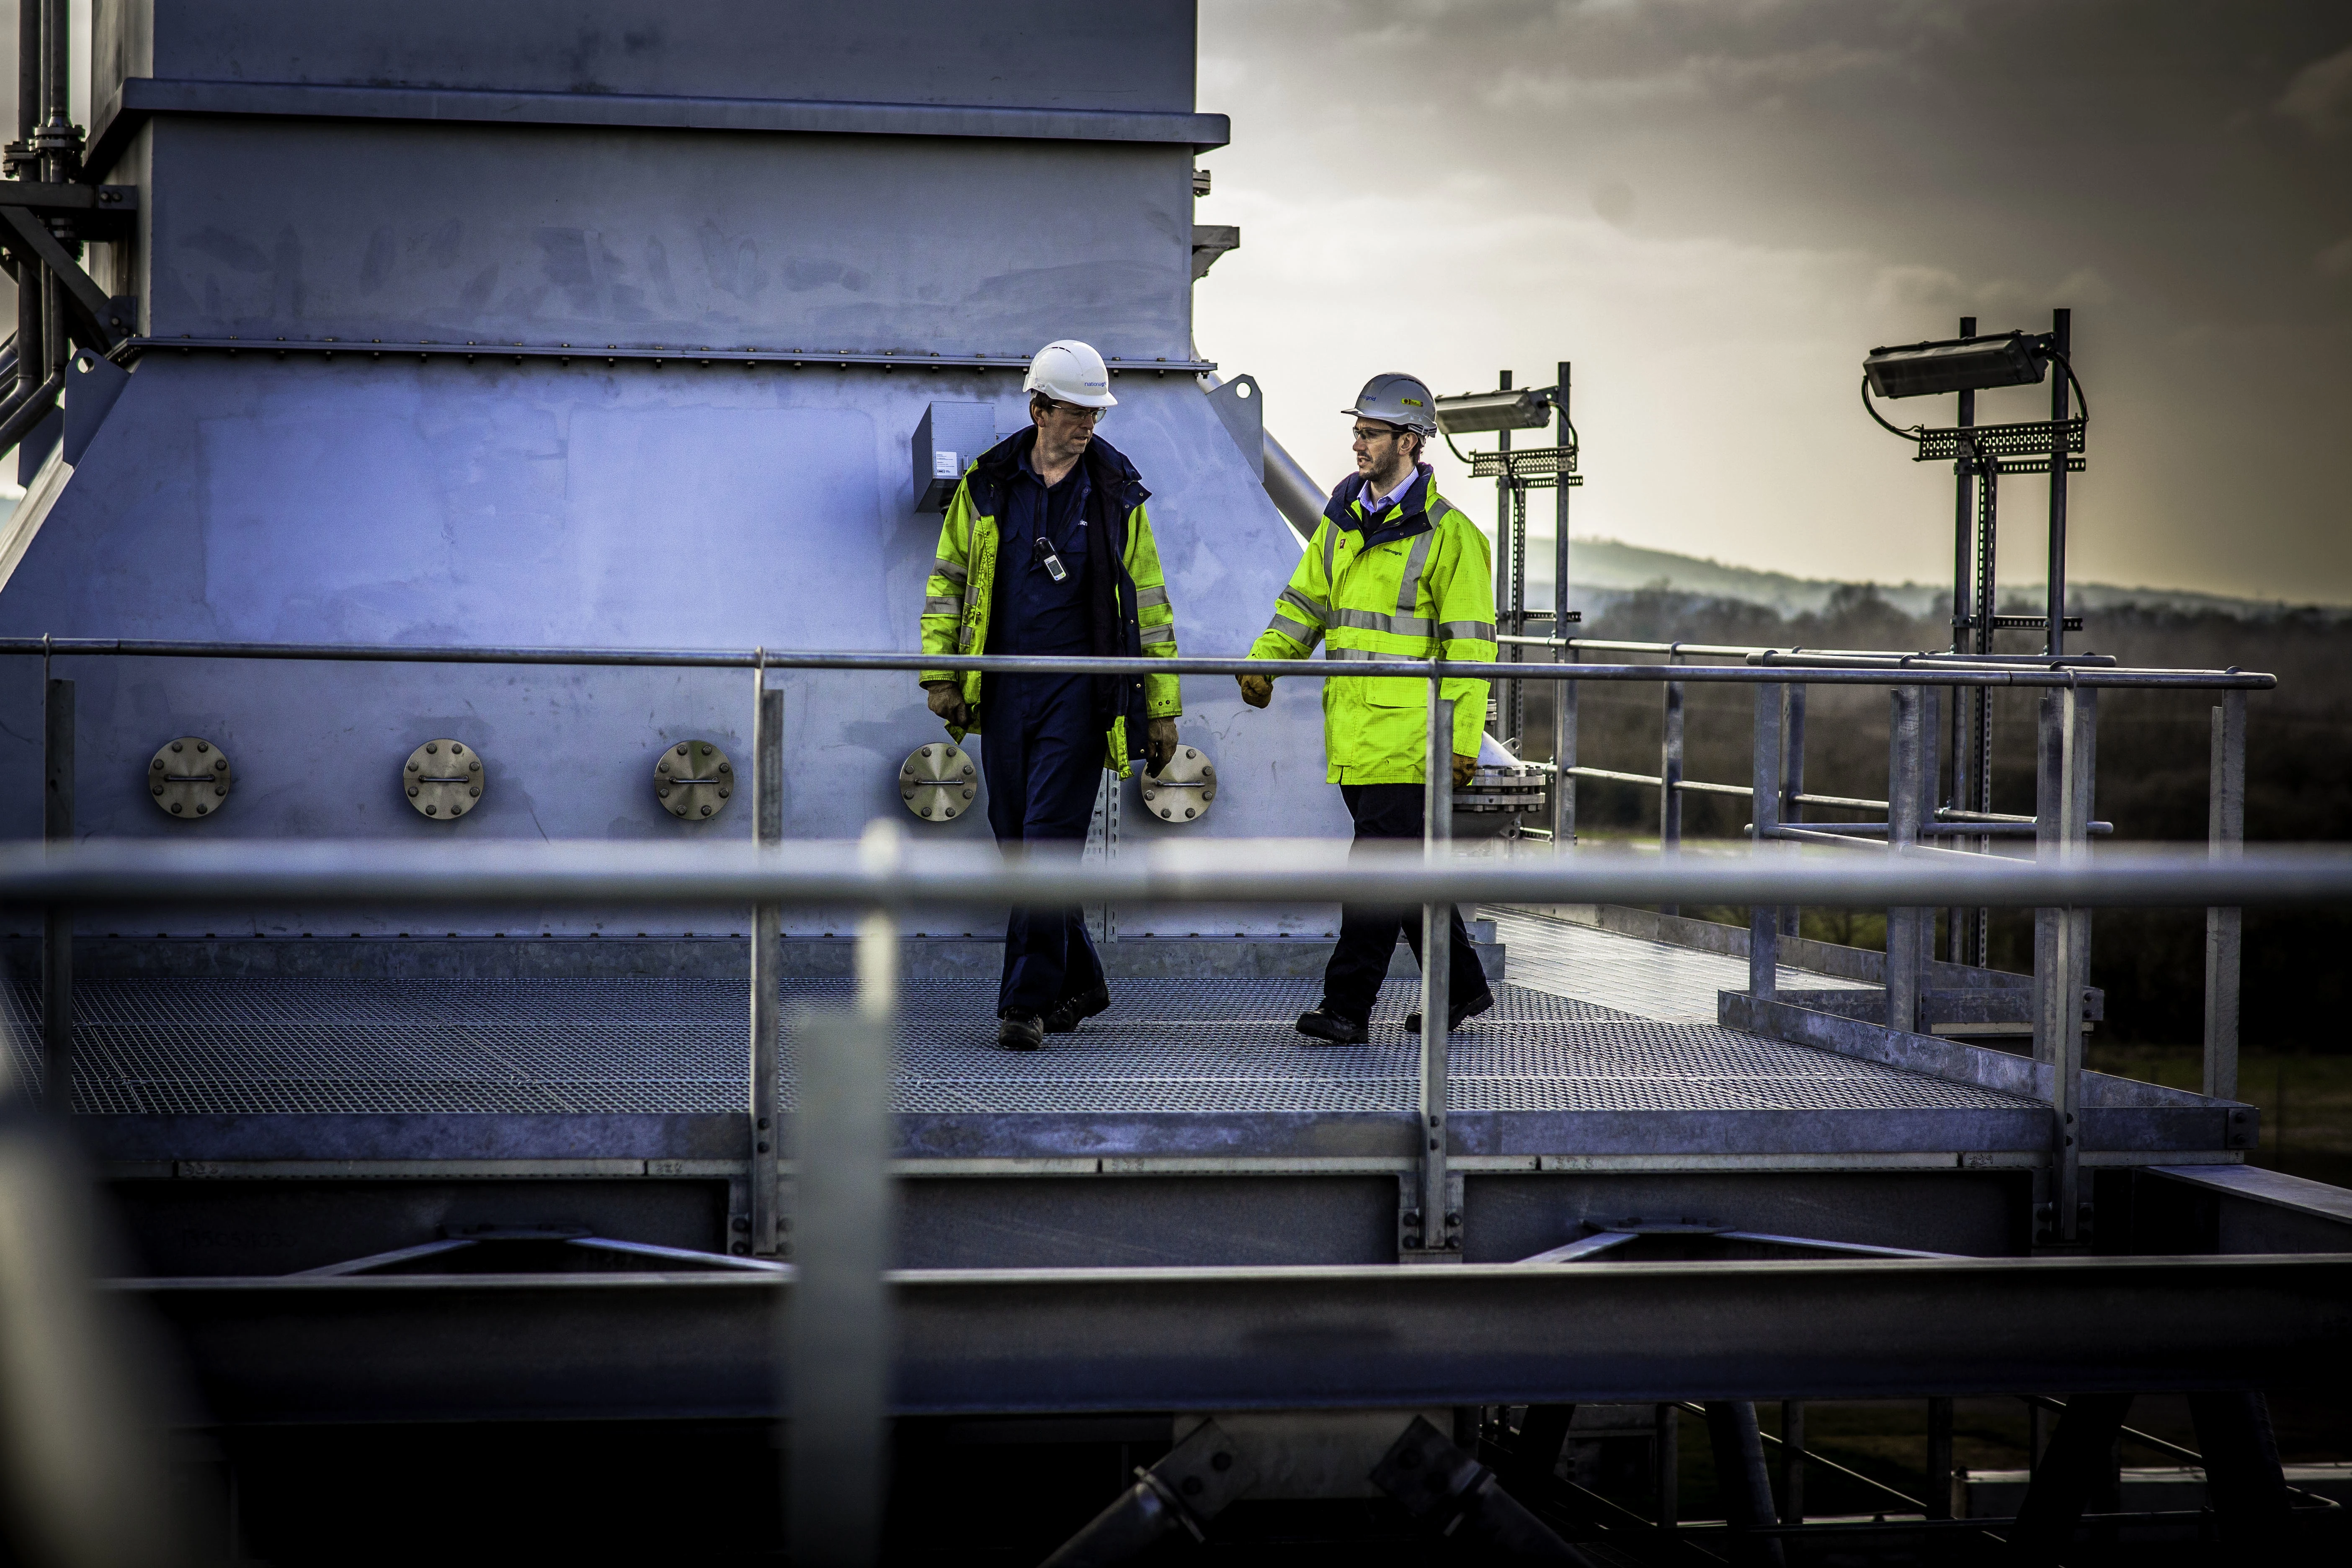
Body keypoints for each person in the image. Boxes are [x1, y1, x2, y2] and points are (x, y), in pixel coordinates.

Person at [921, 339, 1184, 1050]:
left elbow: (1150, 605)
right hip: (1004, 692)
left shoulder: (1117, 494)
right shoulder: (988, 486)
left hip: (1081, 695)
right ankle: (1084, 980)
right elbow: (948, 580)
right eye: (1076, 411)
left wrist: (1160, 706)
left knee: (1047, 850)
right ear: (1038, 410)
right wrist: (939, 673)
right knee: (1019, 849)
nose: (1089, 424)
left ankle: (1025, 1004)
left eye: (1096, 412)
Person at [1239, 372, 1496, 1045]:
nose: (1358, 442)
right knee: (1403, 873)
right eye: (1356, 430)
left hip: (1412, 740)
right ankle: (1462, 988)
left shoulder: (1451, 537)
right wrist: (1268, 663)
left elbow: (1471, 652)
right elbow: (1306, 604)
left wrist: (1464, 739)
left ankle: (1347, 1008)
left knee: (1377, 874)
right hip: (1353, 733)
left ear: (1409, 442)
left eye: (1371, 433)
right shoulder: (1343, 518)